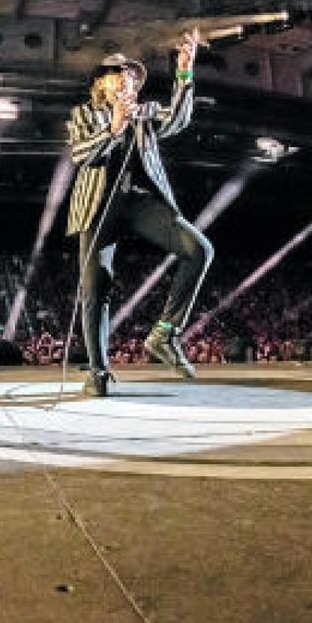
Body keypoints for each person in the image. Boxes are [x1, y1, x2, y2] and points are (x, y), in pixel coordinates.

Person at [65, 29, 214, 397]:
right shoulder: (85, 113)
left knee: (199, 250)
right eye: (123, 75)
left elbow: (178, 119)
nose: (130, 81)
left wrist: (184, 72)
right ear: (103, 84)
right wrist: (114, 128)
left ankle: (165, 334)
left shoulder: (145, 114)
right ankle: (98, 371)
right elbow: (81, 155)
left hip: (142, 203)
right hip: (99, 208)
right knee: (95, 288)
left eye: (134, 77)